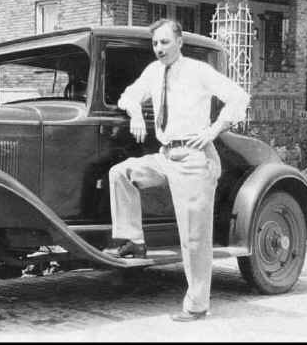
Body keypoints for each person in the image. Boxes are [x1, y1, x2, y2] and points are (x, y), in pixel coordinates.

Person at [105, 19, 250, 322]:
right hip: (166, 155)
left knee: (194, 237)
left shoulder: (198, 71)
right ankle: (132, 241)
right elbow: (128, 96)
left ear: (179, 42)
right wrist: (135, 114)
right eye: (155, 43)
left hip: (195, 158)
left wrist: (212, 131)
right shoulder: (154, 71)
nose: (159, 49)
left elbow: (238, 97)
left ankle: (197, 305)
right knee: (122, 173)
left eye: (165, 42)